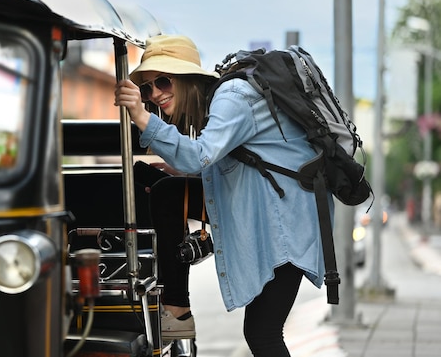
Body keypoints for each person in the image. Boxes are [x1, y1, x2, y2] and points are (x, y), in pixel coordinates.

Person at [115, 34, 333, 356]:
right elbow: (233, 160)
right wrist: (183, 169)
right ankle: (176, 307)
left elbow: (198, 155)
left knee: (263, 332)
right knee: (159, 186)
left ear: (189, 80)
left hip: (287, 222)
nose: (155, 94)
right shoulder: (221, 102)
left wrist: (142, 116)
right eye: (147, 89)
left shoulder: (232, 97)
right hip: (269, 209)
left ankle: (176, 308)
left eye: (163, 82)